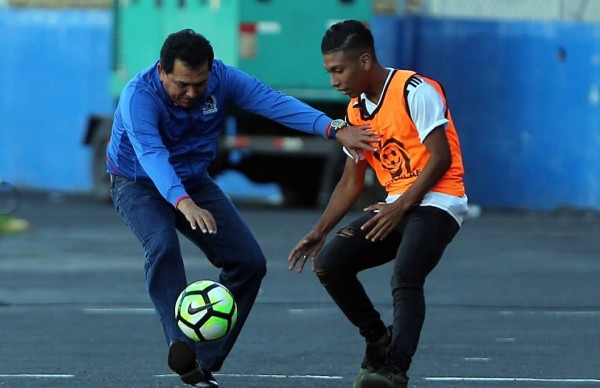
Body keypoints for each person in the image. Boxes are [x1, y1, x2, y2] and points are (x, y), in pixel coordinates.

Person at [106, 28, 378, 387]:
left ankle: (203, 363)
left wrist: (332, 128)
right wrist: (183, 203)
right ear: (161, 71)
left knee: (249, 264)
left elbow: (273, 102)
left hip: (194, 180)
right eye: (181, 84)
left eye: (199, 84)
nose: (190, 93)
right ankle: (181, 343)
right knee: (162, 245)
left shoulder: (223, 79)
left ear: (211, 70)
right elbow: (152, 155)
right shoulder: (138, 97)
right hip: (137, 182)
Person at [288, 20, 468, 388]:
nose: (333, 81)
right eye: (329, 72)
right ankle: (378, 341)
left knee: (406, 276)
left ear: (365, 60)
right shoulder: (355, 112)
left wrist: (399, 207)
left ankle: (395, 369)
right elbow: (351, 180)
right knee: (330, 264)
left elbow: (440, 158)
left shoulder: (413, 90)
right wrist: (318, 232)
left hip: (440, 199)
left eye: (339, 70)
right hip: (396, 206)